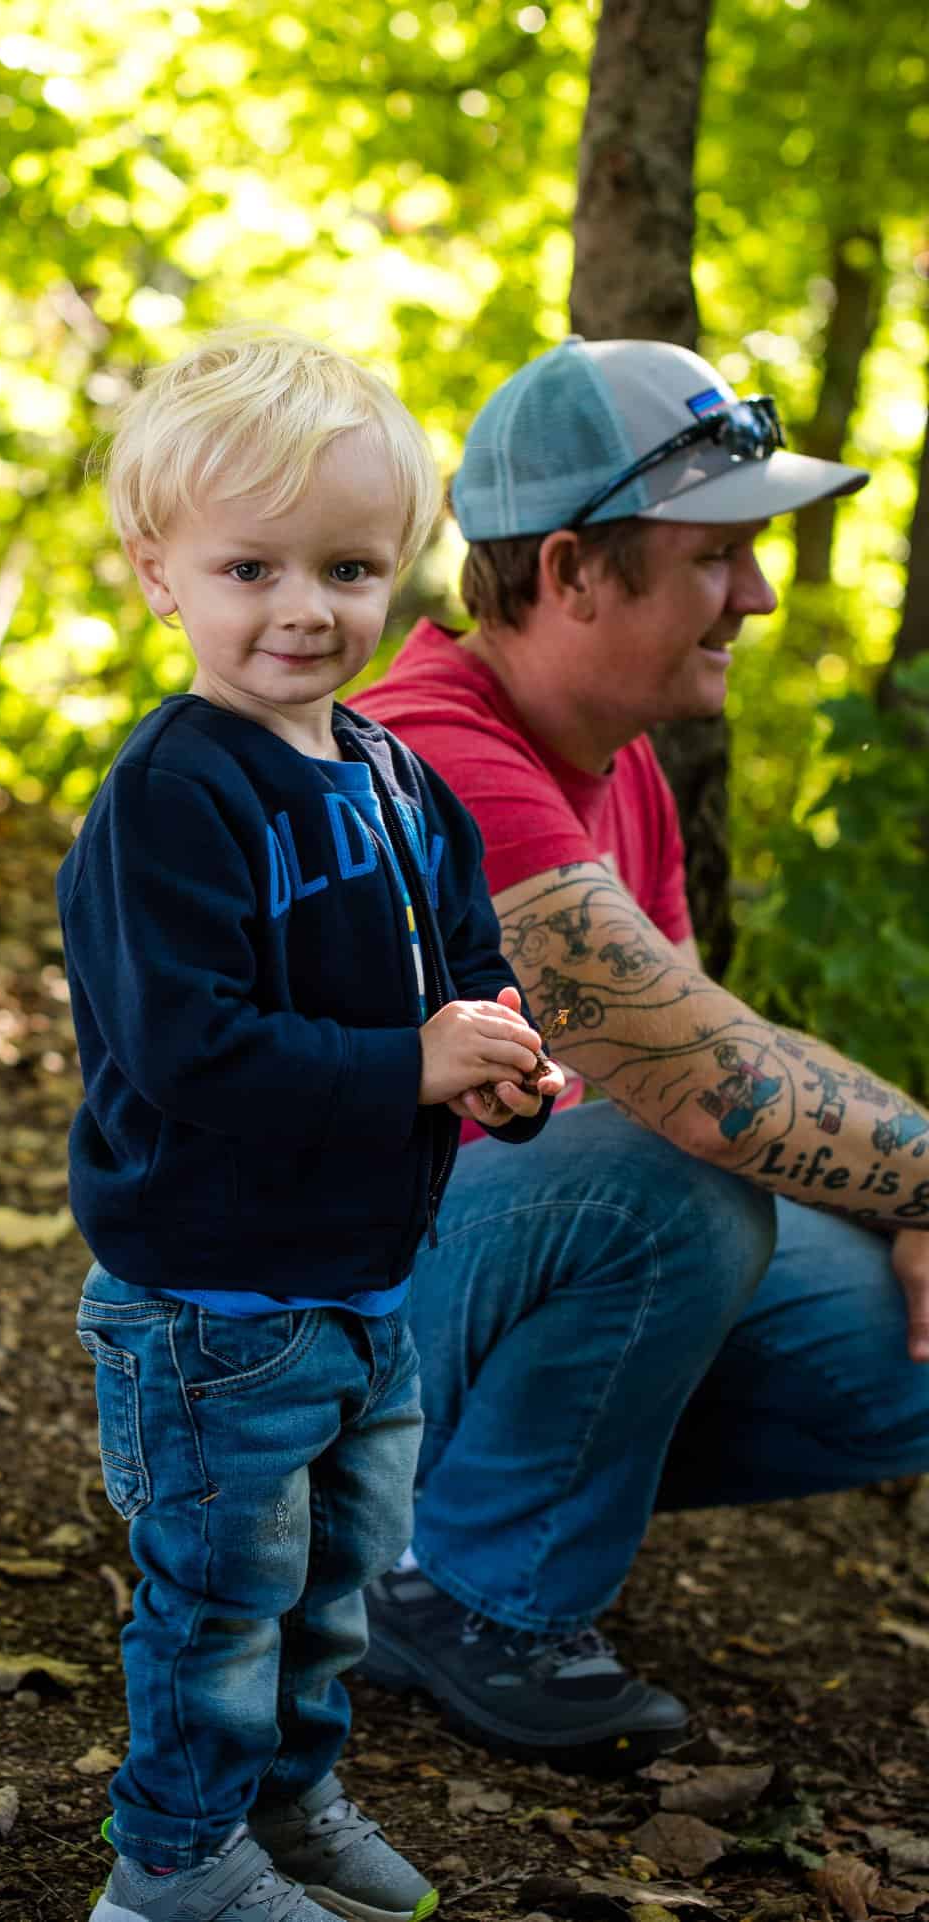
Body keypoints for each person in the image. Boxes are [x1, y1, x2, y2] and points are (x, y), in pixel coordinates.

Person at [352, 334, 929, 1773]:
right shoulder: (430, 753)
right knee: (667, 1186)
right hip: (313, 1337)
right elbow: (699, 1088)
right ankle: (454, 1589)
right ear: (567, 570)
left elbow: (707, 1065)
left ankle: (482, 1516)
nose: (762, 591)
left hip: (461, 1279)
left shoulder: (619, 771)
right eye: (717, 554)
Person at [56, 327, 562, 1922]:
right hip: (210, 1299)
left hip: (360, 1281)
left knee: (335, 1578)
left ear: (399, 572)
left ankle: (290, 1801)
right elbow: (189, 1046)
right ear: (161, 573)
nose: (302, 607)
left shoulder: (402, 780)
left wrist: (497, 1066)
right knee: (220, 1590)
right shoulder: (170, 797)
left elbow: (465, 970)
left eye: (347, 566)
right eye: (250, 565)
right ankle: (172, 1865)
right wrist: (402, 1066)